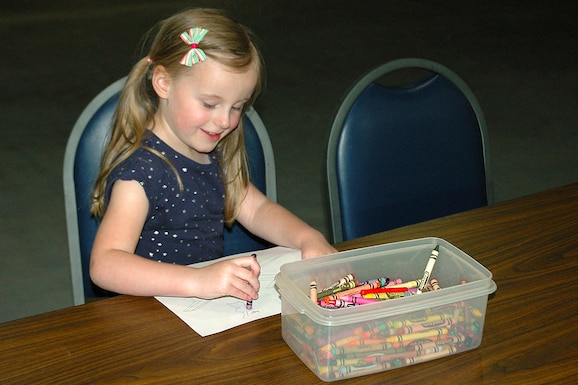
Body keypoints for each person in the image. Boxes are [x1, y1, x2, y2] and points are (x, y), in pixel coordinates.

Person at [89, 8, 336, 302]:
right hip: (149, 314)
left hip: (201, 315)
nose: (224, 121)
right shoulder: (142, 172)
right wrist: (198, 281)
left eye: (237, 107)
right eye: (210, 104)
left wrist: (309, 238)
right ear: (163, 84)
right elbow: (105, 264)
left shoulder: (215, 152)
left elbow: (257, 210)